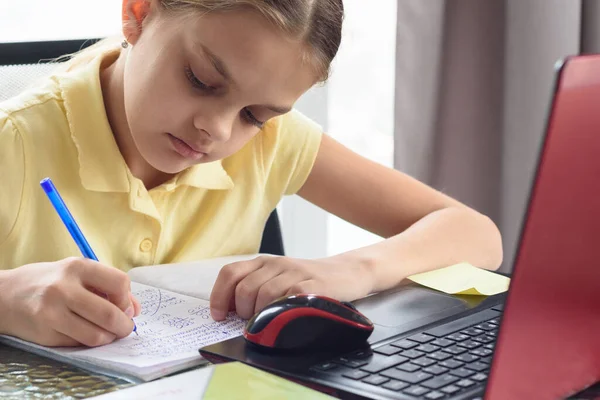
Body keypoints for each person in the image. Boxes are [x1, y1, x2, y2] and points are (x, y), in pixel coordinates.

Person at [0, 0, 502, 348]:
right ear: (140, 13)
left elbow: (476, 234)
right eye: (201, 80)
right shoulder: (14, 142)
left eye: (256, 115)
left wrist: (350, 270)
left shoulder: (271, 144)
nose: (215, 130)